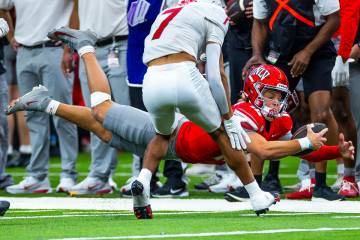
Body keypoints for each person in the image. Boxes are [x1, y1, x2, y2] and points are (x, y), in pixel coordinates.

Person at [244, 0, 344, 201]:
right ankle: (257, 184)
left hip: (317, 51)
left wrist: (307, 52)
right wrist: (257, 54)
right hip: (281, 50)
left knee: (321, 111)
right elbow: (259, 22)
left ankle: (321, 185)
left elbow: (334, 19)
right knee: (265, 109)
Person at [0, 0, 79, 194]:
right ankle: (37, 176)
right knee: (32, 116)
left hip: (55, 48)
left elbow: (78, 5)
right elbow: (2, 7)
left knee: (64, 113)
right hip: (24, 51)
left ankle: (68, 173)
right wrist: (11, 37)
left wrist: (69, 44)